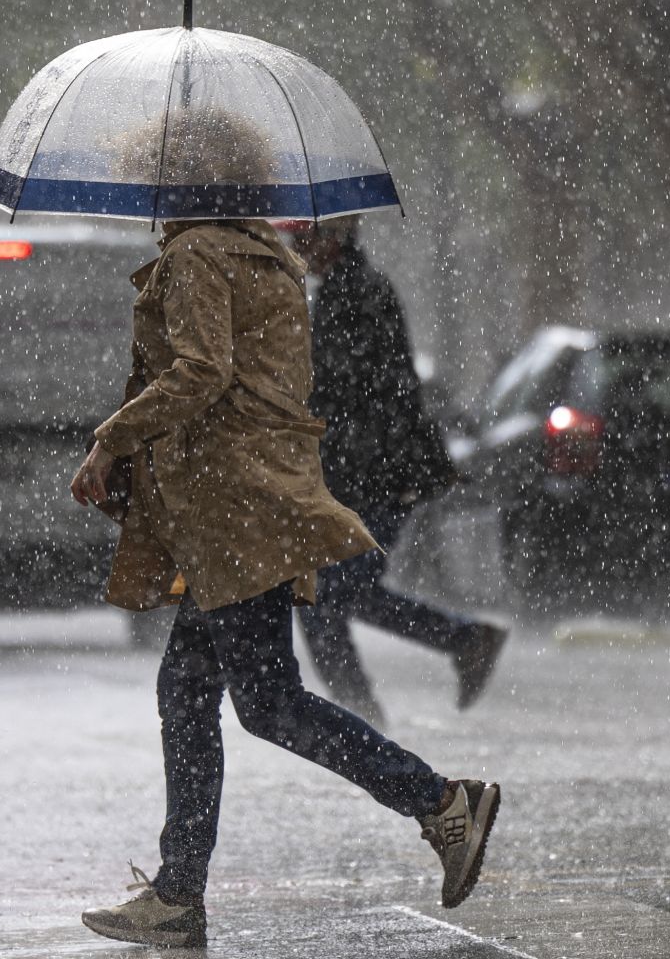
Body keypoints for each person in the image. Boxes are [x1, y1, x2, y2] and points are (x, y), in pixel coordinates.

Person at [71, 214, 501, 949]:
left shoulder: (199, 251)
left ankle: (441, 802)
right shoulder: (266, 255)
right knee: (192, 691)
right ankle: (179, 889)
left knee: (267, 702)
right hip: (247, 507)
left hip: (230, 515)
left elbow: (202, 372)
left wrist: (114, 437)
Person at [291, 218, 507, 725]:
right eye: (293, 237)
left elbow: (351, 392)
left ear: (337, 236)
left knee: (325, 594)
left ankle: (361, 722)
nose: (296, 246)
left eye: (305, 236)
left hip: (372, 476)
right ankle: (370, 713)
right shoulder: (343, 292)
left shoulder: (356, 294)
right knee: (329, 593)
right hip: (367, 473)